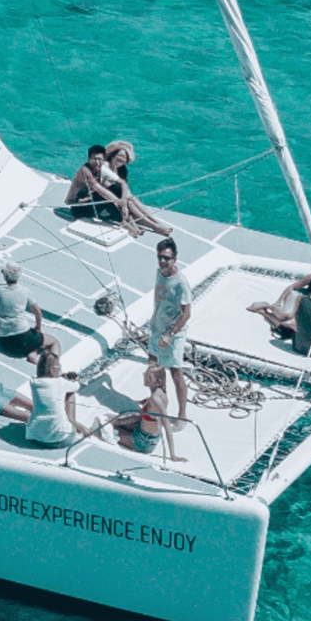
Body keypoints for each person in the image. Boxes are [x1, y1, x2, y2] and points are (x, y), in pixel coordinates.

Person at [248, 253, 311, 340]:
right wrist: (279, 301)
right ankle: (269, 306)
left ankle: (267, 314)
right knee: (286, 315)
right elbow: (293, 287)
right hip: (302, 298)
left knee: (293, 326)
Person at [148, 237, 191, 423]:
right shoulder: (160, 272)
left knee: (176, 373)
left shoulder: (181, 283)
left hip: (173, 334)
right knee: (153, 368)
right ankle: (160, 406)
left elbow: (186, 314)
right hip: (156, 328)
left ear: (175, 258)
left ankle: (181, 415)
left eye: (166, 258)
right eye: (160, 257)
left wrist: (170, 334)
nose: (162, 261)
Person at [111, 361, 184, 460]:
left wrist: (173, 455)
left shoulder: (156, 399)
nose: (145, 377)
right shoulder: (159, 393)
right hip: (141, 432)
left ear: (158, 381)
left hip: (143, 442)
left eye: (149, 376)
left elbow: (166, 426)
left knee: (106, 429)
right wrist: (146, 402)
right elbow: (152, 412)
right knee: (114, 421)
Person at [24, 342, 90, 447]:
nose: (60, 368)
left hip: (35, 436)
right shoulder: (61, 383)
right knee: (70, 393)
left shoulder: (33, 382)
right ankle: (72, 421)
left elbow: (50, 382)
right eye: (59, 366)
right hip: (59, 439)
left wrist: (60, 376)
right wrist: (74, 379)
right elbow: (76, 386)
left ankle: (70, 422)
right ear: (52, 369)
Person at [103, 141, 172, 237]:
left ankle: (156, 222)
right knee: (129, 202)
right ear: (113, 155)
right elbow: (105, 190)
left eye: (124, 158)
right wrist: (124, 203)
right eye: (119, 155)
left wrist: (125, 199)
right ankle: (155, 227)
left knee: (132, 199)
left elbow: (125, 190)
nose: (121, 159)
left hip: (119, 200)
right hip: (107, 203)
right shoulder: (104, 167)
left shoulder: (122, 170)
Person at [0, 262, 44, 358]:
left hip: (5, 342)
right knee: (53, 342)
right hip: (25, 337)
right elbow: (38, 313)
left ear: (6, 277)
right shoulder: (26, 291)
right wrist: (38, 327)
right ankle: (35, 354)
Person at [65, 145, 125, 224]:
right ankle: (120, 219)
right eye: (94, 159)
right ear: (88, 159)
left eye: (99, 159)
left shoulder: (99, 168)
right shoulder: (85, 171)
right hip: (78, 208)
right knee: (106, 199)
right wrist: (118, 201)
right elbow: (99, 189)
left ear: (103, 160)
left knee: (116, 188)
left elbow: (122, 183)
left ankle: (122, 215)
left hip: (89, 199)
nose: (97, 162)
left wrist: (124, 201)